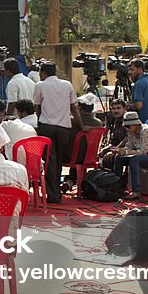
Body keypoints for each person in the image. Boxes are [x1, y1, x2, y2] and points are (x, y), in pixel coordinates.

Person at [33, 62, 88, 204]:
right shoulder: (67, 85)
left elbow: (38, 108)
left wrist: (39, 123)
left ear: (43, 73)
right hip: (64, 128)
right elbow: (74, 108)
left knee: (50, 161)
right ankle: (55, 192)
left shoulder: (40, 85)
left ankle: (53, 195)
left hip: (47, 127)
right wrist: (81, 127)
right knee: (58, 161)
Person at [110, 111, 148, 200]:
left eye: (128, 126)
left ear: (135, 125)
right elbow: (129, 146)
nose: (126, 128)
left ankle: (136, 191)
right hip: (143, 156)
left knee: (135, 160)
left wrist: (126, 152)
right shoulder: (131, 132)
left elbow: (143, 151)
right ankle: (117, 187)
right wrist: (120, 151)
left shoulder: (146, 131)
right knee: (119, 158)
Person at [98, 98, 128, 169]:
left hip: (129, 149)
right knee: (102, 155)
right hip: (119, 148)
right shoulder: (116, 122)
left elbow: (127, 139)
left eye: (118, 108)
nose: (116, 111)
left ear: (124, 109)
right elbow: (113, 142)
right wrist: (104, 150)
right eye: (114, 109)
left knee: (110, 158)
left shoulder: (127, 120)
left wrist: (114, 151)